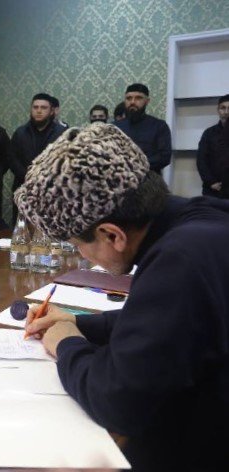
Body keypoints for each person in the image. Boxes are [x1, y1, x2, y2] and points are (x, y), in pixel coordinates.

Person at [16, 123, 229, 470]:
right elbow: (167, 323)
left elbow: (119, 402)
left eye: (77, 245)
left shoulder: (179, 260)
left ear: (112, 235)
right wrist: (78, 322)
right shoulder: (201, 220)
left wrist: (67, 344)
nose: (82, 255)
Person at [9, 93, 66, 192]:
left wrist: (47, 178)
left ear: (51, 111)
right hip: (23, 188)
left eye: (43, 108)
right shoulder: (20, 133)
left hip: (52, 190)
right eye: (35, 107)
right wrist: (28, 177)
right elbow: (12, 159)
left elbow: (65, 160)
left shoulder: (61, 133)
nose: (39, 111)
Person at [114, 83, 172, 173]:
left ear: (147, 101)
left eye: (138, 98)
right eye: (129, 98)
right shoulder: (115, 127)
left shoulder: (159, 126)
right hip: (120, 177)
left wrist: (135, 165)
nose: (132, 102)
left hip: (149, 177)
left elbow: (164, 157)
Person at [196, 94, 229, 198]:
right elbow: (201, 160)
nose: (226, 112)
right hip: (213, 189)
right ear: (218, 110)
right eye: (223, 108)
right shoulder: (209, 133)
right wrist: (210, 182)